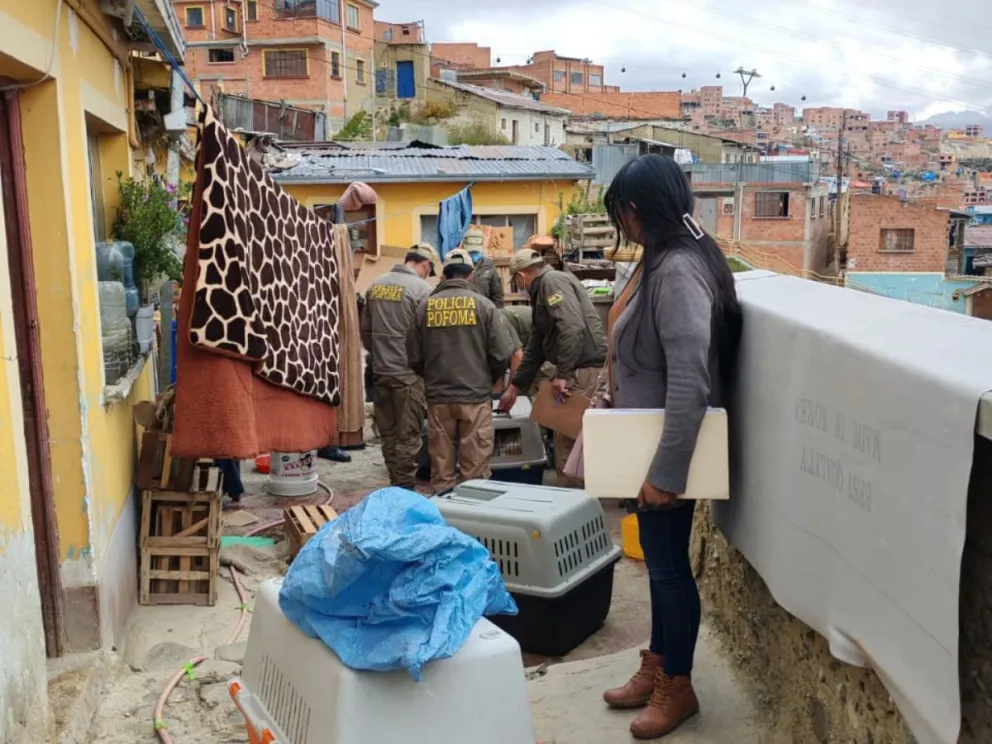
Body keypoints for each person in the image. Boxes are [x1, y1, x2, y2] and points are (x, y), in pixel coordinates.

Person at [599, 154, 742, 740]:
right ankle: (658, 660)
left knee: (668, 571)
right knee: (659, 568)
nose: (622, 225)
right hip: (646, 446)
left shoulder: (679, 270)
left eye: (621, 214)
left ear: (636, 211)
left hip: (666, 455)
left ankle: (677, 685)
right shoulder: (667, 257)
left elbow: (690, 378)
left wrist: (666, 472)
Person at [407, 249, 515, 493]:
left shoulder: (425, 307)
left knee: (441, 470)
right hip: (475, 398)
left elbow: (413, 356)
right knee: (475, 471)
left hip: (438, 399)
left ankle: (446, 519)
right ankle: (473, 524)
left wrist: (433, 377)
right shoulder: (485, 306)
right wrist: (486, 379)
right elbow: (501, 354)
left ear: (444, 275)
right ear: (471, 275)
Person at [498, 248, 607, 487]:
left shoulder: (551, 282)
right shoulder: (544, 290)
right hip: (579, 367)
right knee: (569, 440)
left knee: (569, 441)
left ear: (520, 277)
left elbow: (571, 327)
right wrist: (515, 387)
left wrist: (564, 375)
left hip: (582, 369)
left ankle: (576, 505)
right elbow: (536, 346)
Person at [361, 243, 437, 489]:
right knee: (408, 438)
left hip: (381, 373)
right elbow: (429, 338)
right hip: (409, 377)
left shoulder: (375, 286)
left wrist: (381, 356)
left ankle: (395, 485)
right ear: (425, 265)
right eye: (429, 269)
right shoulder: (422, 290)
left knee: (389, 436)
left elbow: (366, 333)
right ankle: (405, 491)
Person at [497, 305, 556, 397]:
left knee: (533, 390)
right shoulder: (490, 324)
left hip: (552, 344)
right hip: (535, 344)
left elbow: (517, 357)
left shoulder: (498, 324)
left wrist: (510, 391)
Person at [464, 225, 505, 307]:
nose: (474, 253)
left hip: (484, 312)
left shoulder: (489, 266)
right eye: (471, 251)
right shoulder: (458, 265)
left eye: (476, 251)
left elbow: (497, 297)